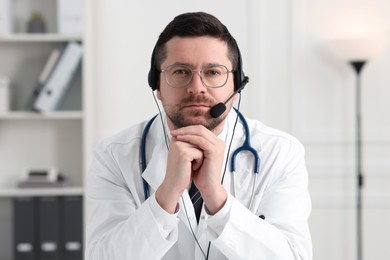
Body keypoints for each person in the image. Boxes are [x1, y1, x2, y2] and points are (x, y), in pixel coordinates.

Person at [85, 12, 312, 260]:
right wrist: (166, 195)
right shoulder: (113, 155)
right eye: (180, 72)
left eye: (213, 72)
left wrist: (217, 199)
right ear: (156, 85)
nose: (196, 88)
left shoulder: (279, 152)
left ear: (236, 86)